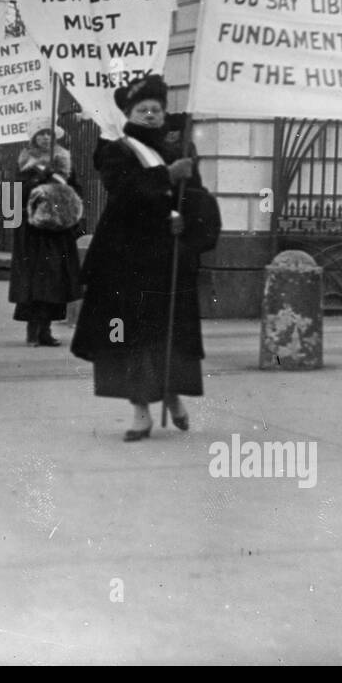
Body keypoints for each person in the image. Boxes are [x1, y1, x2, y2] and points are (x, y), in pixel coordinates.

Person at [71, 75, 221, 441]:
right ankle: (140, 412)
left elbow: (197, 198)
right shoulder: (116, 150)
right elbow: (124, 193)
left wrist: (187, 220)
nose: (152, 115)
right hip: (127, 261)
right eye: (143, 110)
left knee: (170, 334)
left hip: (169, 257)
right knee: (132, 337)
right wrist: (167, 176)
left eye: (157, 109)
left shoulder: (178, 149)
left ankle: (172, 395)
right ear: (128, 114)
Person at [8, 122, 83, 347]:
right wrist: (39, 179)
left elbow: (76, 190)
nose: (46, 138)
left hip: (58, 230)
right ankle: (33, 330)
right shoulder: (25, 163)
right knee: (35, 281)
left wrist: (74, 213)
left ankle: (46, 330)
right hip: (34, 231)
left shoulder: (64, 163)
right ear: (34, 138)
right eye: (41, 135)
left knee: (54, 281)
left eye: (49, 134)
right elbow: (18, 193)